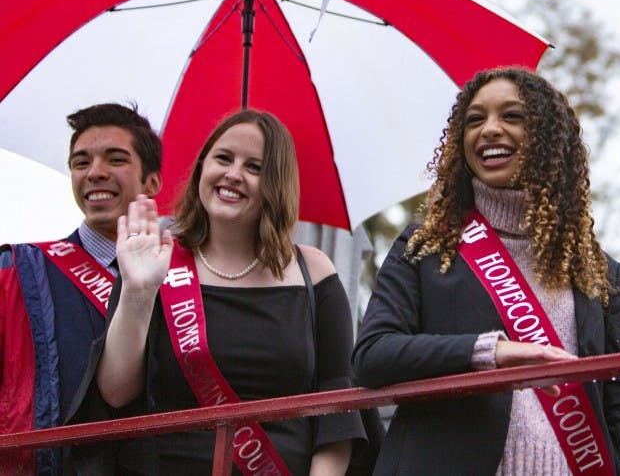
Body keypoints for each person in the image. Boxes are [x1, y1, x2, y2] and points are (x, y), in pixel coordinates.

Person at [352, 67, 620, 475]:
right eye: (475, 119)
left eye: (512, 116)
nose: (489, 130)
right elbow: (373, 355)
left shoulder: (597, 271)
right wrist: (490, 352)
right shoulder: (426, 247)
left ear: (549, 140)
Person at [68, 109, 364, 475]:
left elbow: (337, 414)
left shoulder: (314, 271)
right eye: (223, 158)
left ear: (276, 183)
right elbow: (115, 392)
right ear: (201, 169)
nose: (234, 174)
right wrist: (138, 291)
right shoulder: (157, 261)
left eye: (255, 167)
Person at [0, 103, 162, 475]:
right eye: (81, 162)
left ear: (151, 181)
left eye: (115, 159)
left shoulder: (186, 278)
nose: (95, 173)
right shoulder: (19, 272)